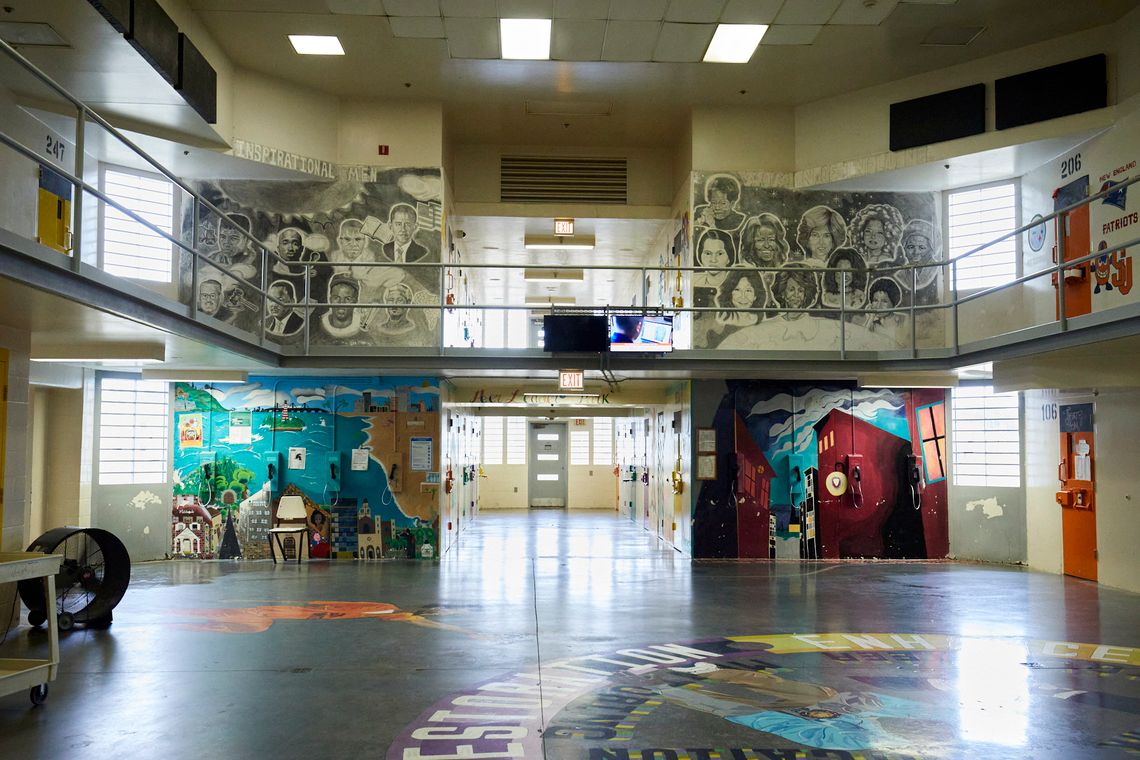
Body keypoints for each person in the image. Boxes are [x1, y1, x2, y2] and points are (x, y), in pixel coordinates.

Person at [693, 229, 736, 308]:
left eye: (720, 253)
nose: (713, 260)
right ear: (700, 256)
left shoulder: (738, 285)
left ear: (729, 257)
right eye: (708, 253)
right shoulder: (692, 281)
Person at [820, 247, 869, 311]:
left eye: (848, 270)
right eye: (839, 270)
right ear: (833, 272)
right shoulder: (825, 297)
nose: (844, 274)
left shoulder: (860, 296)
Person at [319, 273, 364, 340]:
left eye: (347, 298)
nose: (341, 303)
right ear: (330, 299)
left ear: (356, 301)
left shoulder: (364, 331)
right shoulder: (317, 327)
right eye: (336, 297)